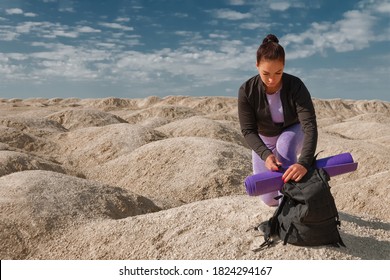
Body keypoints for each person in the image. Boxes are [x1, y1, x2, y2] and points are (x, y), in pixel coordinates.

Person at [238, 34, 318, 207]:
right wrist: (266, 155)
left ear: (284, 66)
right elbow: (248, 130)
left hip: (294, 132)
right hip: (265, 140)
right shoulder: (246, 91)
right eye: (266, 73)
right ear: (257, 65)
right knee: (268, 199)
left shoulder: (295, 85)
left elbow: (309, 124)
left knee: (285, 143)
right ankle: (283, 199)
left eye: (278, 73)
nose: (272, 80)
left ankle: (293, 201)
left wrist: (304, 163)